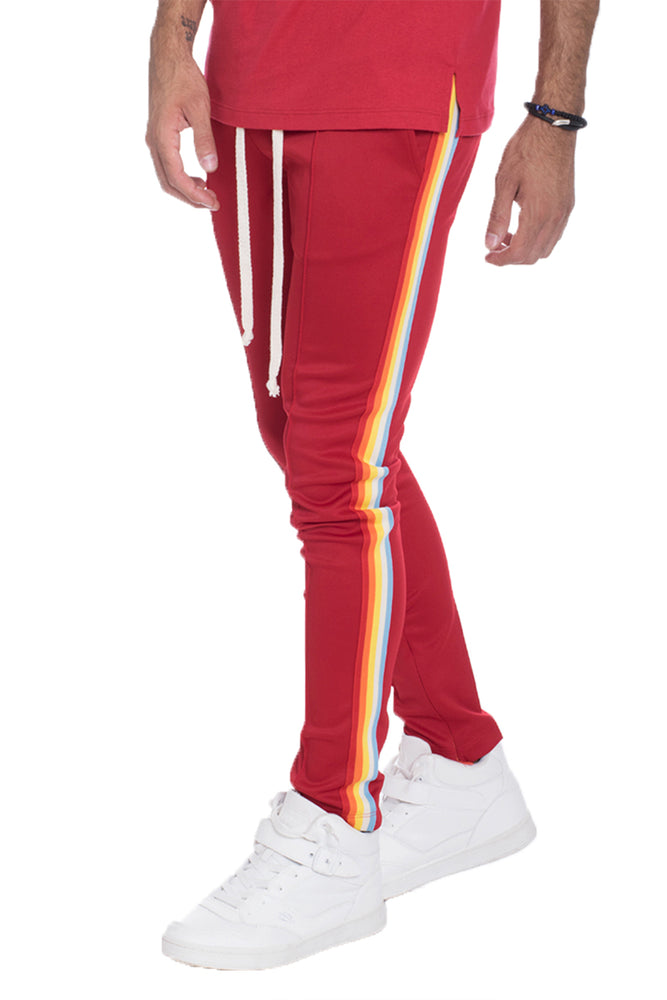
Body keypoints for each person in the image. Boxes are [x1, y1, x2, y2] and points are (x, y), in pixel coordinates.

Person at [147, 0, 599, 972]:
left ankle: (332, 819)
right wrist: (172, 36)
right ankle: (458, 752)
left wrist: (554, 114)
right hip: (248, 81)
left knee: (339, 464)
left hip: (397, 81)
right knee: (312, 438)